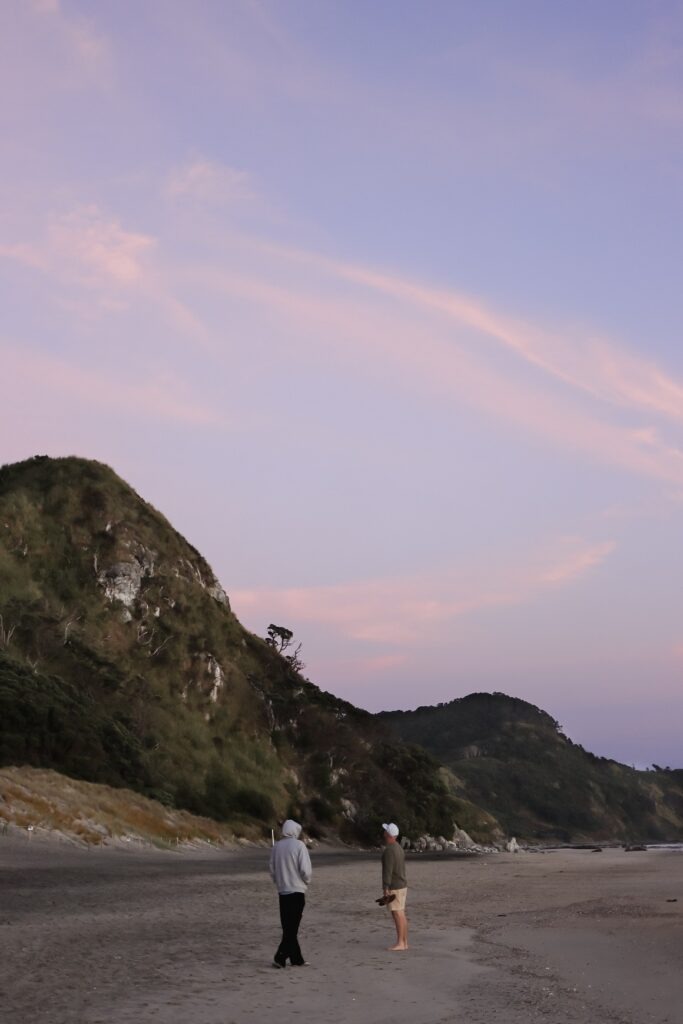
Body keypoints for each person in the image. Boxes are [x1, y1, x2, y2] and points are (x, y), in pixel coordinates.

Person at [269, 819, 312, 968]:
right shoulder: (299, 846)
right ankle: (280, 956)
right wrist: (306, 881)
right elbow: (305, 870)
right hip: (297, 890)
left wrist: (279, 882)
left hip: (283, 891)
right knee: (292, 928)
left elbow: (272, 870)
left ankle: (296, 958)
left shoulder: (277, 847)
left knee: (288, 926)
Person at [381, 821, 408, 951]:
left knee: (397, 913)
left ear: (389, 834)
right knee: (401, 913)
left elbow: (388, 871)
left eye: (385, 831)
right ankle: (404, 942)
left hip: (395, 886)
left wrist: (385, 888)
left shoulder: (389, 850)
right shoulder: (398, 847)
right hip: (402, 884)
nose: (383, 832)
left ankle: (400, 943)